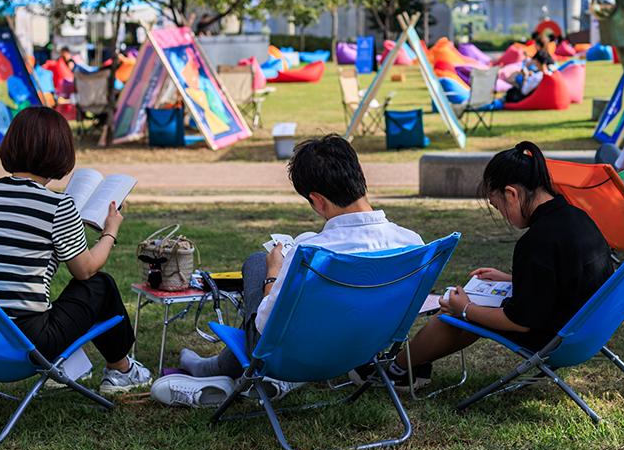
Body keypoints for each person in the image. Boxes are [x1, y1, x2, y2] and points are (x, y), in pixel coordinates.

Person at [151, 135, 422, 407]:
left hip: (299, 357)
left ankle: (215, 370)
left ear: (317, 200)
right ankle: (215, 368)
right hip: (365, 349)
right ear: (360, 177)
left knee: (258, 262)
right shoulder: (412, 244)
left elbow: (266, 327)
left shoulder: (311, 252)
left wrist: (273, 273)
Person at [377, 142, 612, 390]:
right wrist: (512, 279)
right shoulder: (577, 217)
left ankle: (397, 369)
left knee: (452, 312)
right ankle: (411, 364)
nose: (502, 214)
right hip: (588, 329)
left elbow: (519, 321)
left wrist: (465, 308)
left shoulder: (537, 241)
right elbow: (570, 273)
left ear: (511, 194)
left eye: (497, 206)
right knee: (474, 304)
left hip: (556, 337)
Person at [0, 107, 150, 394]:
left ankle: (76, 365)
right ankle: (121, 370)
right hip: (26, 341)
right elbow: (85, 270)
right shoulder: (57, 206)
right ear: (60, 152)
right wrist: (111, 230)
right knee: (100, 285)